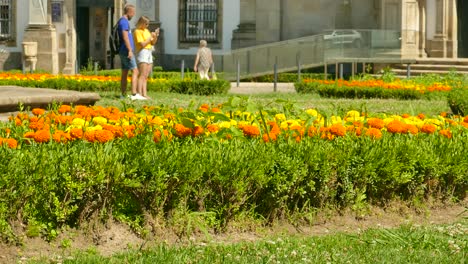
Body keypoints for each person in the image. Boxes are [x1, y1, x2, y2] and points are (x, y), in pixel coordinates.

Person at [118, 4, 144, 100]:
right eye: (133, 13)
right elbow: (125, 37)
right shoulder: (124, 22)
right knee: (135, 71)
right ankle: (134, 94)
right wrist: (130, 50)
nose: (133, 15)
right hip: (126, 50)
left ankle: (123, 94)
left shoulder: (122, 21)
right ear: (129, 12)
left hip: (123, 50)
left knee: (125, 72)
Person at [134, 16, 159, 99]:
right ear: (141, 23)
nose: (147, 25)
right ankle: (139, 93)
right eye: (146, 23)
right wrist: (150, 38)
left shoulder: (147, 31)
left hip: (149, 51)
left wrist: (155, 36)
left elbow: (152, 43)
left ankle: (144, 94)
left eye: (148, 23)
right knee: (142, 74)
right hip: (142, 52)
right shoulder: (137, 31)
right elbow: (142, 44)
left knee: (146, 75)